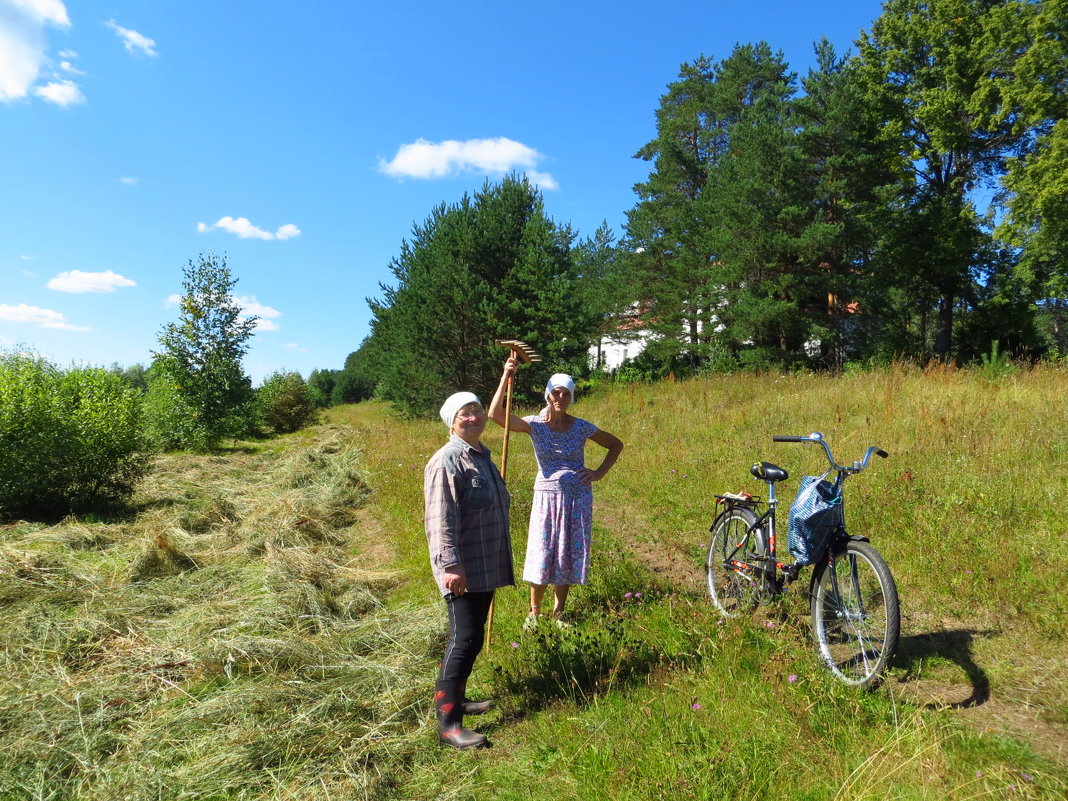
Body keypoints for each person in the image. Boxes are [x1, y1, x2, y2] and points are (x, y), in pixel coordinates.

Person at [489, 360, 623, 628]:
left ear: (571, 397)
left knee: (566, 552)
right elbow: (495, 415)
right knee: (542, 550)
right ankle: (534, 612)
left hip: (577, 498)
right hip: (546, 498)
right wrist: (506, 375)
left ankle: (560, 611)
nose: (560, 397)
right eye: (555, 392)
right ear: (547, 395)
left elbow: (615, 445)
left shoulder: (581, 426)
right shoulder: (535, 425)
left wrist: (598, 473)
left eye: (566, 393)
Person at [424, 391, 514, 750]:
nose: (475, 416)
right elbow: (439, 519)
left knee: (473, 636)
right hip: (462, 568)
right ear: (451, 421)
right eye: (465, 413)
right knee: (463, 640)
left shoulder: (481, 457)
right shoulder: (447, 461)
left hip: (483, 563)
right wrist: (450, 565)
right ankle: (448, 724)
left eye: (477, 410)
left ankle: (458, 700)